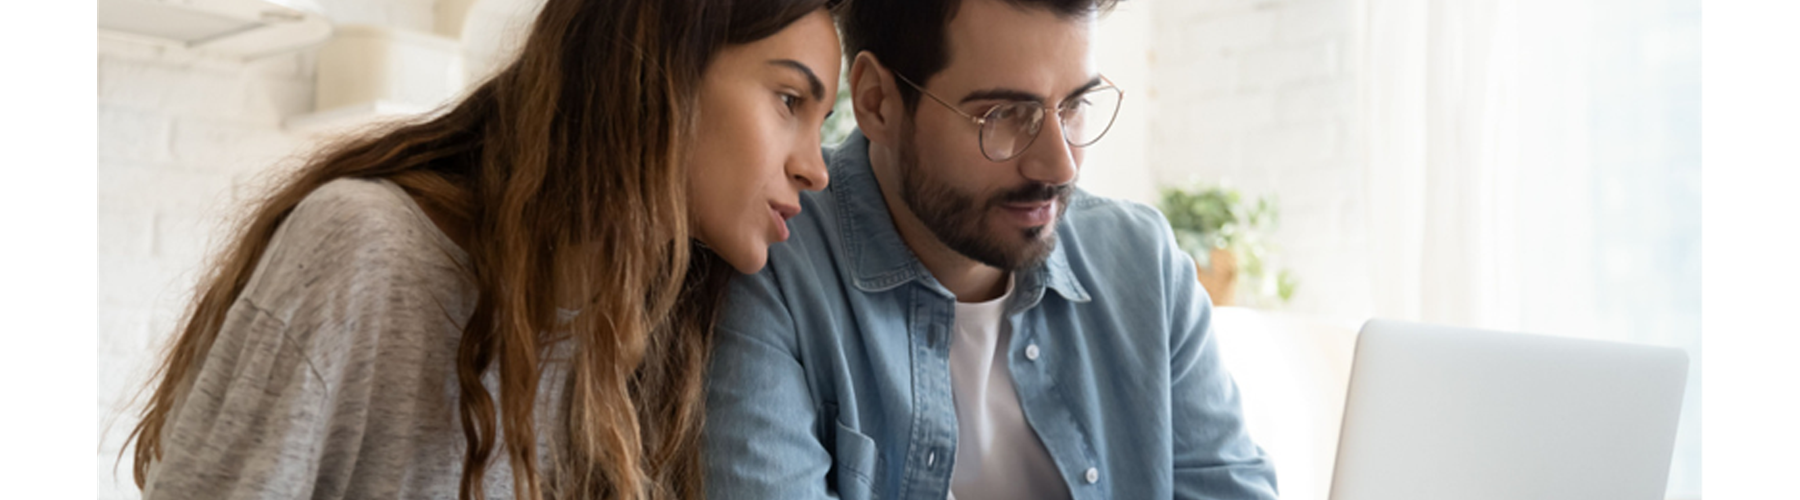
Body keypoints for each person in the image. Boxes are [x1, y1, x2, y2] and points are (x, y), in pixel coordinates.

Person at [123, 0, 841, 498]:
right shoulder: (362, 251)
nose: (816, 166)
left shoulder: (658, 333)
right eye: (789, 101)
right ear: (666, 70)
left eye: (820, 120)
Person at [702, 0, 1279, 498]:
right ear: (877, 102)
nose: (1059, 164)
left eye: (1076, 105)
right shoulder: (766, 256)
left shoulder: (1143, 265)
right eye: (1004, 115)